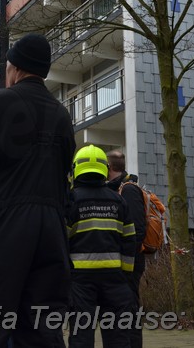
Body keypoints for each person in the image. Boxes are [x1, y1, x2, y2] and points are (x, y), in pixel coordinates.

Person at [0, 33, 76, 347]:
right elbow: (64, 171)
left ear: (14, 67)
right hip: (51, 232)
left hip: (3, 223)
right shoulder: (63, 115)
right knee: (42, 328)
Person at [66, 145, 135, 347]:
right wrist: (126, 275)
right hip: (115, 279)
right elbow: (129, 239)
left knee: (81, 334)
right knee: (118, 336)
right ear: (104, 169)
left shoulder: (71, 201)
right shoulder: (118, 201)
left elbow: (62, 240)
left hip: (80, 280)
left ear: (76, 168)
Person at [105, 149, 147, 348]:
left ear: (110, 167)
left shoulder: (128, 190)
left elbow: (138, 230)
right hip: (123, 262)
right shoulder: (116, 188)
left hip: (130, 263)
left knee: (129, 310)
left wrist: (126, 262)